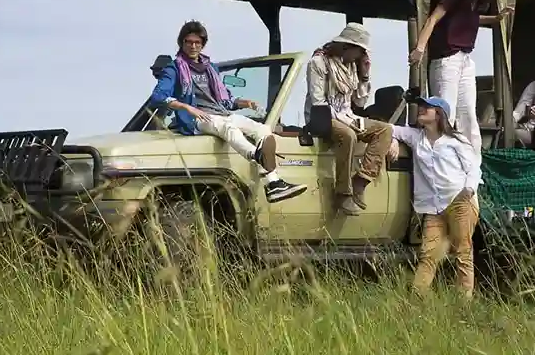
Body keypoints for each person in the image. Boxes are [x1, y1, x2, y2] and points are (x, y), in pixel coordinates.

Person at [149, 20, 308, 204]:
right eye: (188, 42)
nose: (193, 46)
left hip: (220, 112)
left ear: (203, 44)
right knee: (228, 128)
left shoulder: (210, 68)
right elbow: (158, 96)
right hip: (197, 119)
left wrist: (244, 102)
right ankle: (257, 157)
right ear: (181, 43)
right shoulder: (174, 68)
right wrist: (187, 107)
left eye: (197, 43)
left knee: (263, 130)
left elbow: (226, 100)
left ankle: (273, 185)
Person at [409, 0, 513, 166]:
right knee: (446, 114)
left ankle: (473, 169)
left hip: (465, 59)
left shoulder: (477, 2)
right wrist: (420, 48)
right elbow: (433, 19)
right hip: (447, 60)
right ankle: (441, 162)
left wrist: (496, 18)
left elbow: (471, 20)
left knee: (469, 117)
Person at [386, 96, 482, 298]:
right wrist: (393, 141)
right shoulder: (415, 137)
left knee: (463, 253)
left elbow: (473, 169)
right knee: (428, 254)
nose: (420, 109)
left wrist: (468, 191)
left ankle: (464, 302)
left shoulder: (456, 140)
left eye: (426, 107)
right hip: (432, 207)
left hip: (459, 202)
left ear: (438, 114)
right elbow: (389, 129)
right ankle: (416, 302)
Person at [304, 22, 393, 216]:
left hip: (346, 115)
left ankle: (361, 180)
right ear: (346, 47)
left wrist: (365, 74)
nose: (361, 56)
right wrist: (350, 123)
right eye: (359, 51)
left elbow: (359, 102)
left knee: (385, 130)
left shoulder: (352, 66)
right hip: (322, 116)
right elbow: (318, 102)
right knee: (348, 135)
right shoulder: (319, 63)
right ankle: (343, 193)